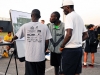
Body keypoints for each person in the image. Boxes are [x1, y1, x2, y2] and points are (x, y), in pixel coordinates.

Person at [11, 9, 52, 75]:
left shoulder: (25, 26)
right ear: (40, 16)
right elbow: (47, 41)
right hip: (40, 57)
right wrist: (43, 51)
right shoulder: (45, 27)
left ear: (31, 16)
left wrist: (12, 39)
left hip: (29, 57)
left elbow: (16, 36)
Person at [60, 0, 88, 75]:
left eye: (63, 8)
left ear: (67, 7)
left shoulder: (69, 16)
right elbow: (86, 35)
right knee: (76, 72)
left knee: (66, 72)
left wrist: (62, 45)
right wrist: (78, 40)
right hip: (79, 49)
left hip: (69, 50)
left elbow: (69, 34)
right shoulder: (79, 17)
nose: (63, 11)